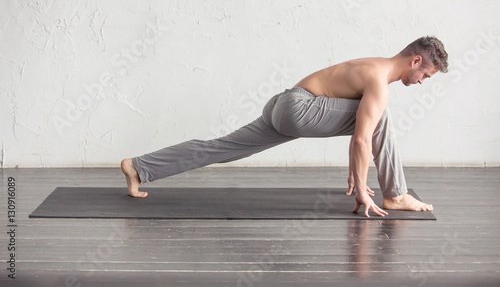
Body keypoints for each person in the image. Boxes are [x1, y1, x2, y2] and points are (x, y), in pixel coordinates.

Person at [121, 36, 448, 217]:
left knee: (221, 147)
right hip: (300, 108)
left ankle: (139, 167)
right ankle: (395, 194)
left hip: (283, 104)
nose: (421, 82)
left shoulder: (372, 66)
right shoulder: (380, 84)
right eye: (425, 76)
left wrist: (355, 170)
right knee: (381, 116)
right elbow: (362, 139)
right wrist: (361, 187)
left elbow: (359, 134)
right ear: (416, 61)